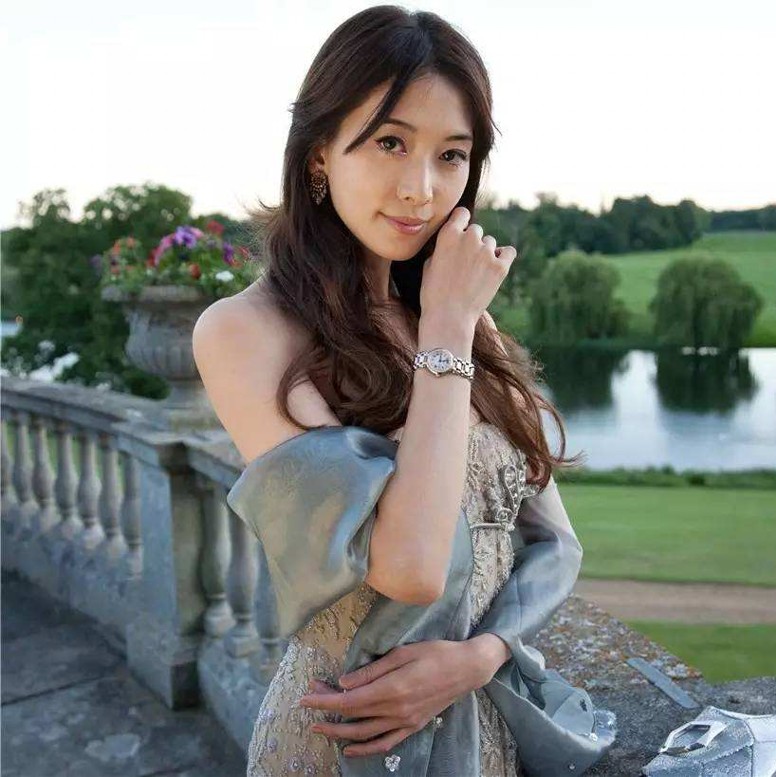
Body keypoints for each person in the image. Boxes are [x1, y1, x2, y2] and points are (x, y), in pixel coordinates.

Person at [193, 5, 586, 775]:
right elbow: (407, 569)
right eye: (390, 142)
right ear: (318, 156)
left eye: (452, 155)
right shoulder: (245, 332)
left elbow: (556, 542)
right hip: (348, 742)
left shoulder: (464, 317)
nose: (422, 188)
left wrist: (481, 654)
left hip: (483, 721)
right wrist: (445, 326)